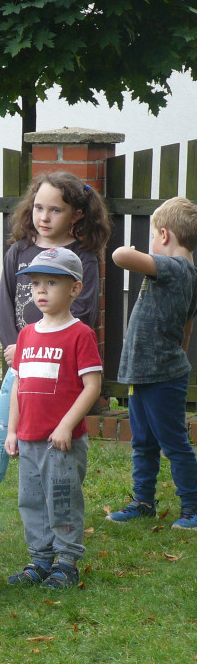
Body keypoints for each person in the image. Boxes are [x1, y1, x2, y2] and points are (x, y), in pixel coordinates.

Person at [0, 172, 109, 527]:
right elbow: (4, 303)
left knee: (59, 451)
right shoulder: (19, 251)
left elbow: (82, 312)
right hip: (20, 364)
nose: (44, 216)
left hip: (58, 370)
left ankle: (61, 524)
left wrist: (37, 345)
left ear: (77, 214)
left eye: (55, 210)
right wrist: (14, 346)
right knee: (0, 439)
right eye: (39, 207)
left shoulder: (82, 257)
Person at [4, 247, 103, 589]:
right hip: (28, 439)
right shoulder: (26, 335)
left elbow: (92, 386)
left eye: (51, 282)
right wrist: (12, 430)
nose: (41, 290)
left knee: (62, 499)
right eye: (35, 283)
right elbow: (19, 386)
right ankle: (40, 560)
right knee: (31, 501)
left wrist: (65, 425)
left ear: (75, 288)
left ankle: (66, 562)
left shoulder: (80, 335)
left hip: (61, 441)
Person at [106, 197, 197, 529]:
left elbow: (120, 256)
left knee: (173, 442)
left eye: (152, 240)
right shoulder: (191, 276)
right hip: (146, 373)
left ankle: (193, 508)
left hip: (161, 377)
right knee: (143, 441)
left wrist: (130, 249)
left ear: (164, 234)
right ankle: (142, 502)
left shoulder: (173, 268)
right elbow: (186, 328)